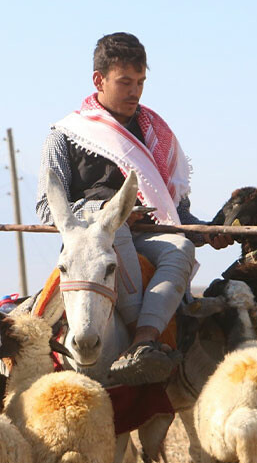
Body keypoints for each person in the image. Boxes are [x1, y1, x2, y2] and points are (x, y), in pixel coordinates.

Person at [36, 32, 230, 385]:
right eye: (125, 82)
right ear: (99, 80)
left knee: (181, 247)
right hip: (92, 247)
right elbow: (47, 209)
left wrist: (204, 231)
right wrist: (104, 212)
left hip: (151, 236)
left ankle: (144, 342)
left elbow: (177, 213)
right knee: (112, 227)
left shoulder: (156, 134)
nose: (135, 91)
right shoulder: (64, 135)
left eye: (140, 82)